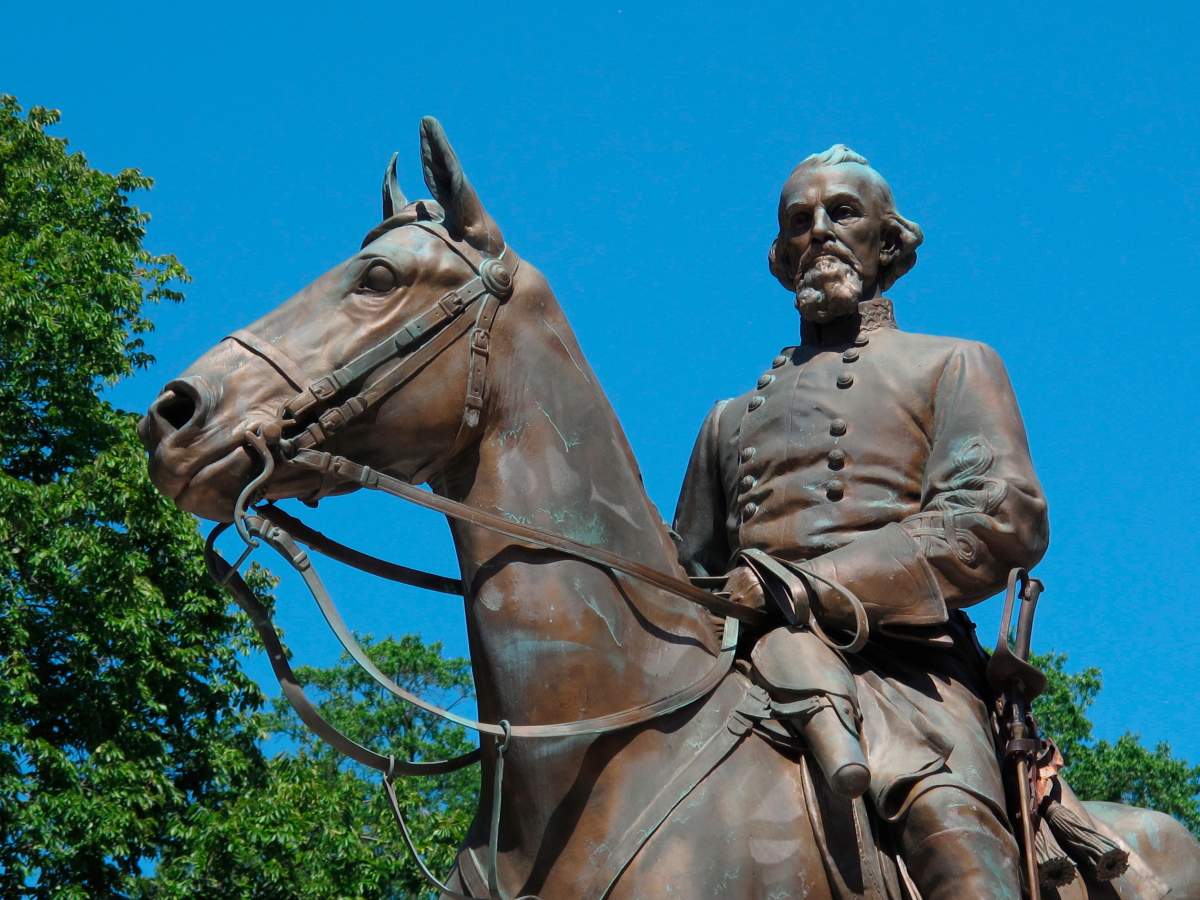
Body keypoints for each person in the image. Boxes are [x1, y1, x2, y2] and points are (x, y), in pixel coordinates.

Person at [673, 145, 1050, 899]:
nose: (819, 230)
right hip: (745, 671)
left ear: (888, 240)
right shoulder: (727, 421)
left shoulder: (953, 363)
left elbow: (996, 517)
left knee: (961, 854)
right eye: (799, 220)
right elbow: (687, 575)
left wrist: (802, 587)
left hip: (908, 680)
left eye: (843, 213)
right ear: (780, 256)